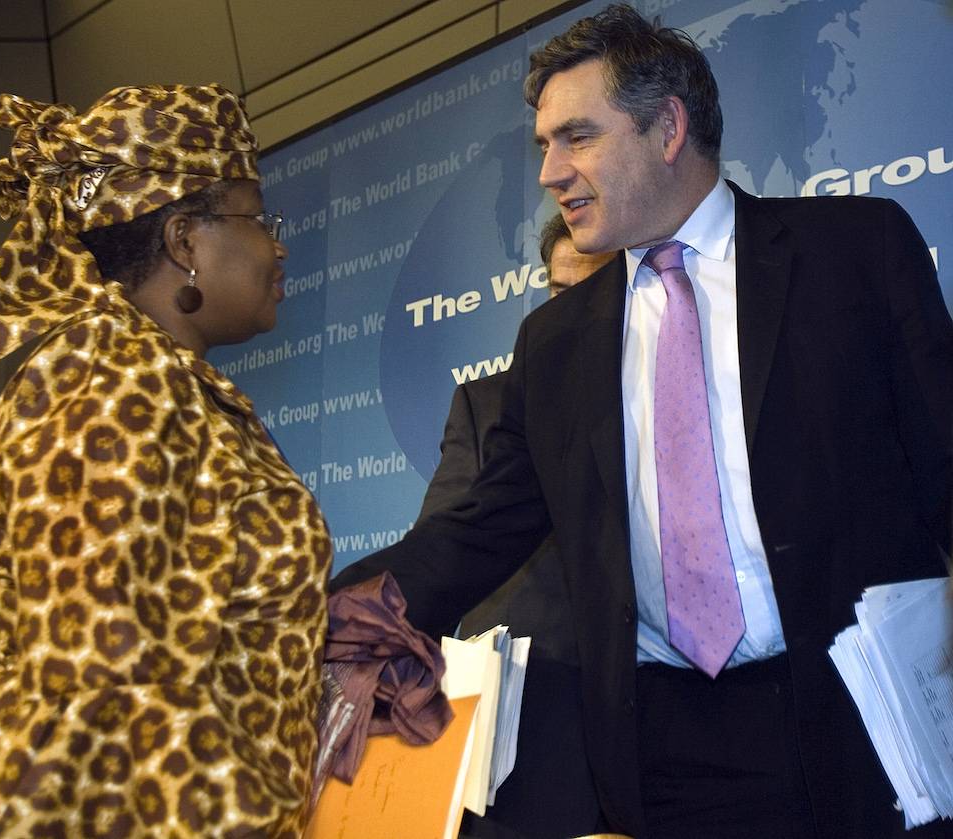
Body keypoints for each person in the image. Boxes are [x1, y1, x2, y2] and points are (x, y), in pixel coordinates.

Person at [332, 5, 953, 838]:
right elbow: (476, 531)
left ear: (667, 128)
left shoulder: (855, 251)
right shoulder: (553, 343)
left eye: (576, 138)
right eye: (544, 144)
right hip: (667, 753)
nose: (549, 172)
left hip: (867, 727)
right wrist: (316, 615)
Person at [0, 85, 331, 838]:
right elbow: (104, 697)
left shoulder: (153, 377)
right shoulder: (111, 385)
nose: (277, 246)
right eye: (258, 219)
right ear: (185, 241)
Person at [419, 214, 614, 839]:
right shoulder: (486, 405)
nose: (572, 311)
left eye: (595, 290)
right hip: (520, 723)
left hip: (650, 713)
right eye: (560, 291)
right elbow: (442, 550)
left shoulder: (672, 392)